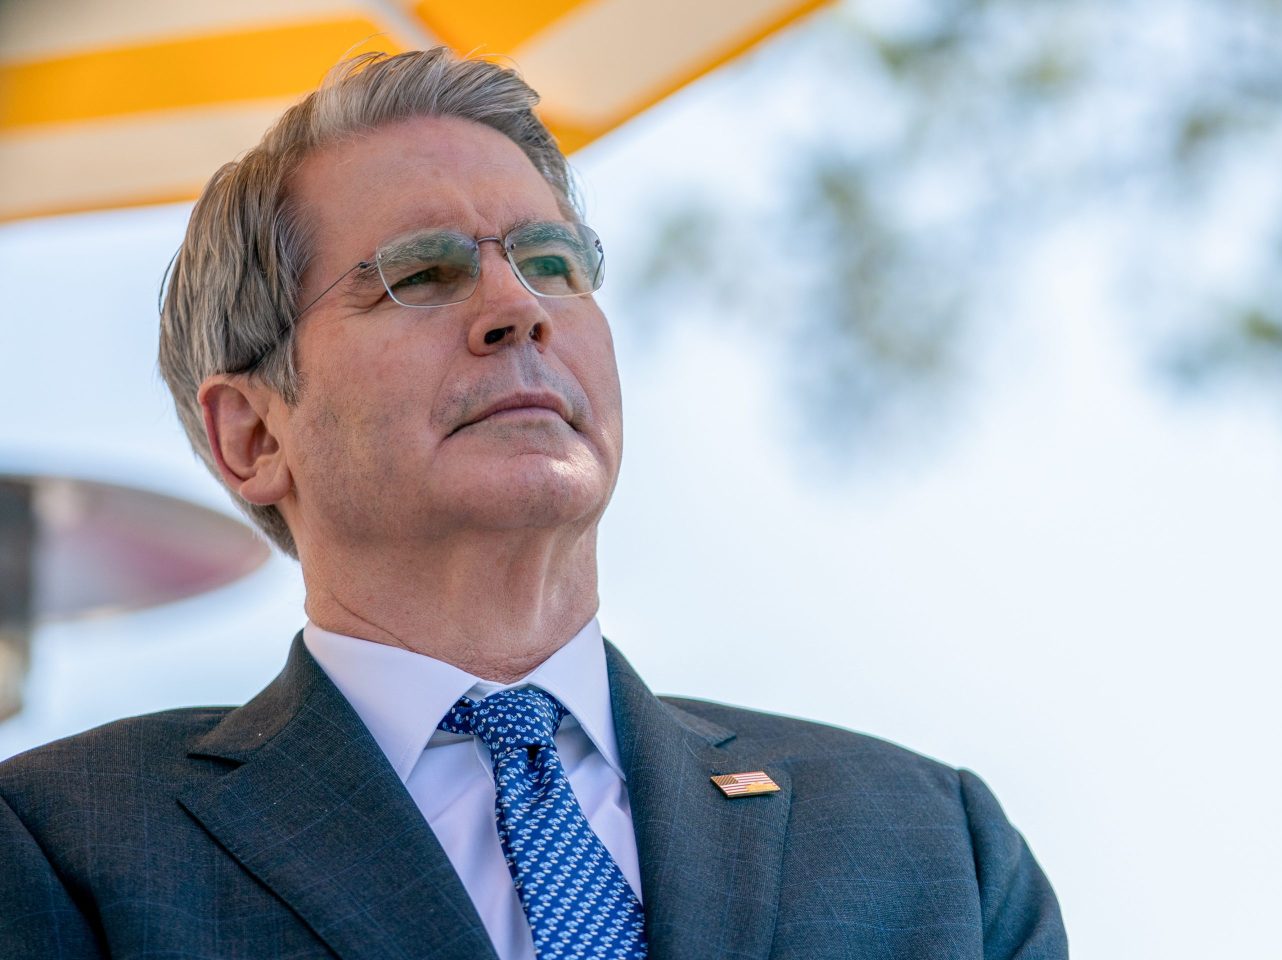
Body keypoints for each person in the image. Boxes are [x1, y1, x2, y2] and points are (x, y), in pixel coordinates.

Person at [0, 48, 1067, 960]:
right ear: (255, 433)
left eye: (554, 262)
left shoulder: (934, 849)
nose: (519, 308)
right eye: (421, 274)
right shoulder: (65, 848)